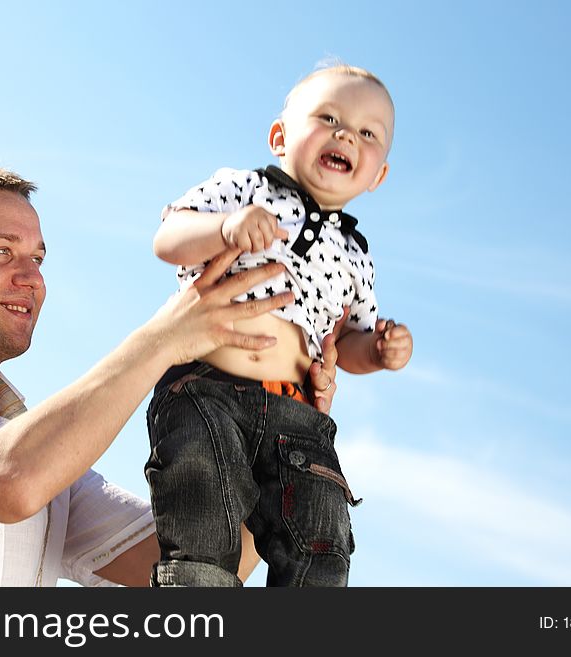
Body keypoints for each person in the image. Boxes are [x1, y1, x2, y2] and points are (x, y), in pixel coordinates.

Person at [0, 159, 341, 587]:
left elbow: (205, 555)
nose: (32, 278)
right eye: (1, 252)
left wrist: (284, 430)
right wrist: (165, 338)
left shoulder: (53, 471)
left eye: (38, 259)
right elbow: (6, 479)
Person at [145, 64, 414, 586]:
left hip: (296, 416)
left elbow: (347, 343)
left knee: (321, 540)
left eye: (367, 133)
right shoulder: (244, 190)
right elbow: (168, 236)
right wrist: (225, 228)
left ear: (378, 175)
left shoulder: (357, 254)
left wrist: (377, 352)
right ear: (279, 137)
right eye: (329, 117)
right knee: (202, 516)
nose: (345, 135)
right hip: (208, 388)